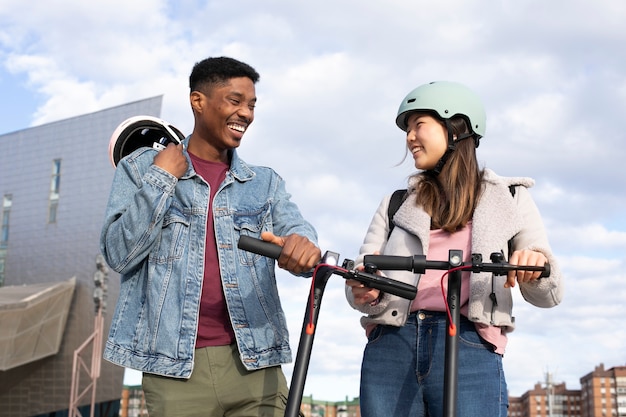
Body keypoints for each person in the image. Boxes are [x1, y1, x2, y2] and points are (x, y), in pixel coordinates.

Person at [101, 56, 321, 417]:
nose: (246, 114)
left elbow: (298, 234)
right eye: (235, 101)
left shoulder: (264, 182)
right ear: (198, 101)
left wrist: (302, 246)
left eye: (251, 105)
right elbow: (118, 254)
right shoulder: (140, 169)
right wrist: (162, 181)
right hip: (173, 369)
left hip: (255, 364)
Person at [345, 81, 563, 417]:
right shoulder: (396, 203)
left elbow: (549, 293)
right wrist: (364, 287)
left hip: (469, 342)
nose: (409, 137)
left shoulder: (511, 198)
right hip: (393, 343)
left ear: (457, 128)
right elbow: (363, 274)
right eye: (407, 129)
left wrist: (535, 264)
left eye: (419, 125)